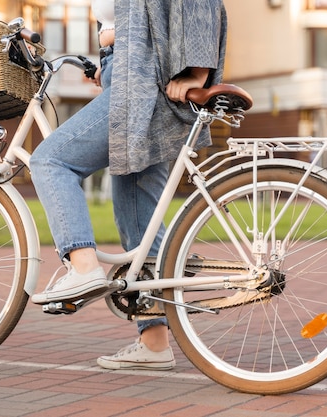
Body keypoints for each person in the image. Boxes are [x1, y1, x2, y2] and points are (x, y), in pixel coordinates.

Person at [30, 0, 227, 370]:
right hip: (128, 70)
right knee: (138, 214)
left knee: (51, 160)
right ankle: (154, 343)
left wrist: (198, 73)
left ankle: (83, 267)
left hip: (143, 78)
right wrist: (107, 60)